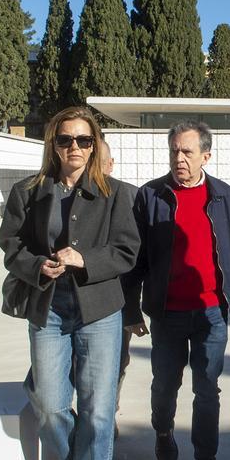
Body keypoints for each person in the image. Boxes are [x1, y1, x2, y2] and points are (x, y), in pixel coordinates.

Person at [0, 106, 138, 460]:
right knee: (52, 404)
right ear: (52, 144)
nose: (74, 147)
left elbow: (126, 251)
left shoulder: (117, 194)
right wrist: (38, 265)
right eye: (65, 140)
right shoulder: (29, 191)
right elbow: (10, 244)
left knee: (97, 411)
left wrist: (85, 260)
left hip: (98, 310)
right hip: (49, 308)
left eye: (83, 140)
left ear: (94, 145)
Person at [123, 122, 230, 460]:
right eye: (174, 150)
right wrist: (131, 310)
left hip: (211, 313)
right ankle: (162, 429)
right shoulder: (150, 196)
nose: (179, 158)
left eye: (187, 152)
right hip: (168, 313)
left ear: (206, 155)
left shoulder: (225, 196)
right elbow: (135, 260)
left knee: (207, 391)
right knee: (165, 384)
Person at [99, 139, 135, 439]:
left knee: (115, 363)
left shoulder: (129, 196)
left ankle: (106, 415)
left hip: (116, 299)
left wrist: (134, 309)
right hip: (67, 303)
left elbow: (138, 257)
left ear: (112, 164)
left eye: (101, 161)